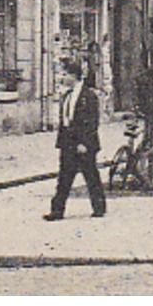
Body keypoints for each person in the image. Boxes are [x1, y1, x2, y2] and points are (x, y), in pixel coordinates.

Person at [43, 59, 105, 221]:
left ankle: (99, 207)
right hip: (68, 144)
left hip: (83, 144)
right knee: (64, 178)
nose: (62, 78)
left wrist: (84, 142)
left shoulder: (88, 96)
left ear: (74, 76)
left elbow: (92, 122)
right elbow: (65, 121)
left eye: (65, 74)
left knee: (91, 176)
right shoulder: (66, 96)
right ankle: (57, 210)